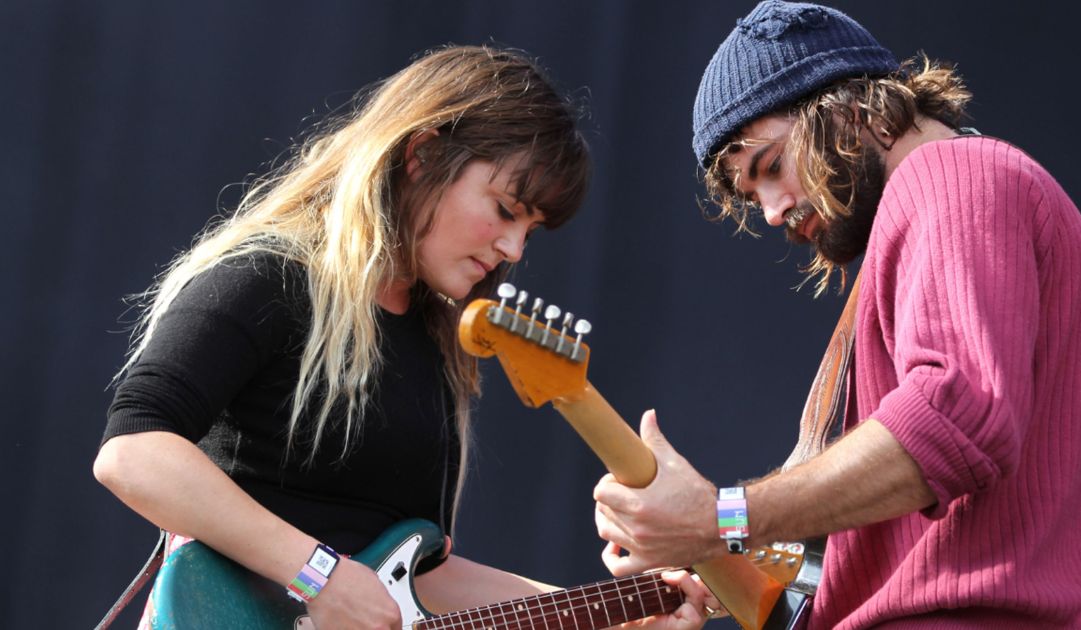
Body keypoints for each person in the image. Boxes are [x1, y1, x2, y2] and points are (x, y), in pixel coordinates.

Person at [94, 45, 707, 630]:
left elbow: (417, 579)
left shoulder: (432, 340)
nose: (514, 248)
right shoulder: (269, 277)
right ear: (422, 155)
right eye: (505, 208)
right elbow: (133, 451)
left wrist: (613, 613)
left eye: (532, 229)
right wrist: (319, 575)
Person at [593, 3, 1081, 628]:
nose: (772, 211)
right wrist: (720, 556)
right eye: (751, 194)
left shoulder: (953, 175)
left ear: (851, 109)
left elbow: (956, 418)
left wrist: (722, 518)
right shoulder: (977, 198)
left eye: (771, 166)